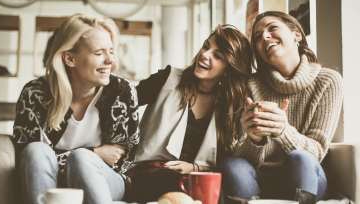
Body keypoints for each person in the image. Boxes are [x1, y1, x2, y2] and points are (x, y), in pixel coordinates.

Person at [12, 14, 139, 204]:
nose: (110, 61)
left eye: (111, 51)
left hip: (106, 180)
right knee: (37, 151)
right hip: (49, 182)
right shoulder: (35, 93)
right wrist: (94, 152)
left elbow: (121, 159)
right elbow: (28, 157)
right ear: (70, 59)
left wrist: (80, 157)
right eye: (99, 53)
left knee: (82, 159)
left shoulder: (121, 91)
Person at [222, 11, 343, 203]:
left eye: (272, 28)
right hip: (257, 180)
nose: (265, 36)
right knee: (233, 165)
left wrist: (283, 131)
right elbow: (237, 152)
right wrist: (254, 139)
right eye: (258, 37)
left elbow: (316, 152)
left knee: (300, 159)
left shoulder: (328, 81)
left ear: (296, 34)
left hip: (305, 178)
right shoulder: (249, 85)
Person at [126, 24, 254, 202]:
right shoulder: (167, 78)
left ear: (229, 69)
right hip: (152, 173)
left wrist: (194, 168)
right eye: (206, 46)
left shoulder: (230, 104)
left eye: (217, 56)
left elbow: (228, 157)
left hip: (199, 178)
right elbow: (122, 103)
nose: (204, 54)